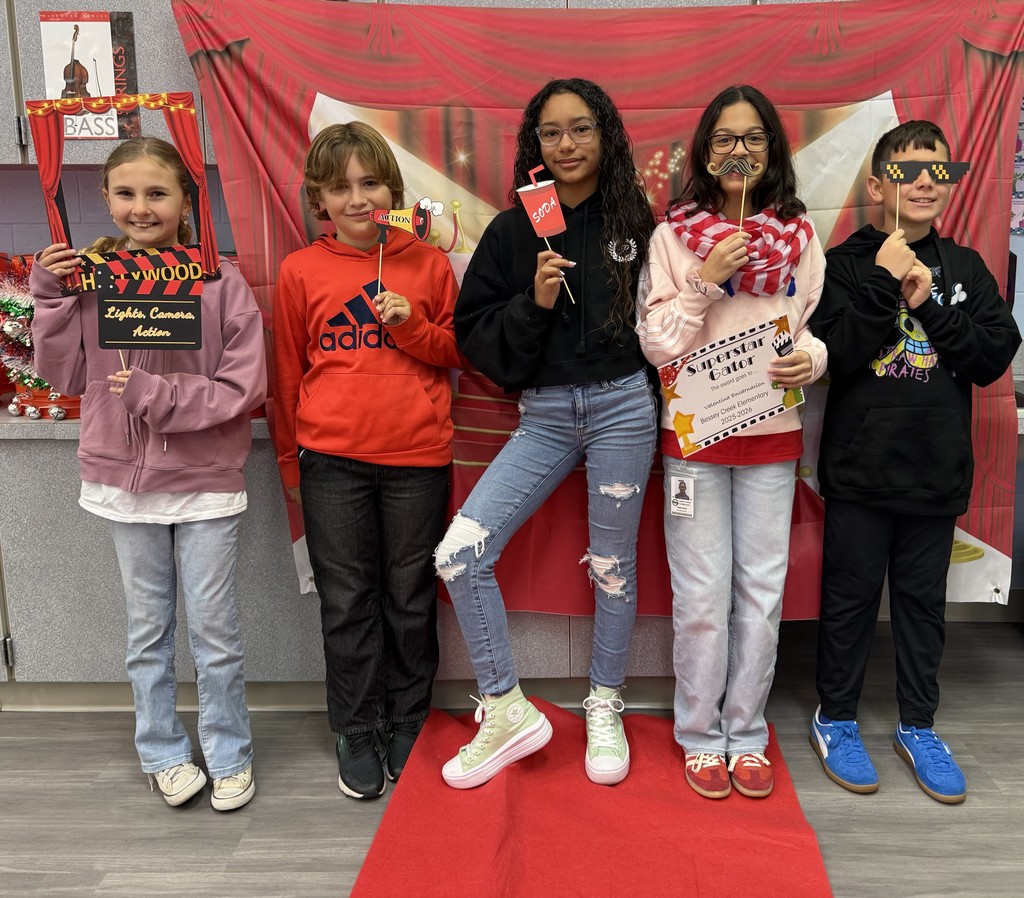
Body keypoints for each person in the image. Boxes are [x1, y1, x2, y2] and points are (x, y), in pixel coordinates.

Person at [435, 77, 658, 789]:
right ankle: (505, 708)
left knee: (613, 568)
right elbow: (480, 345)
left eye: (581, 129)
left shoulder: (635, 222)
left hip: (626, 405)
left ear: (607, 135)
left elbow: (668, 322)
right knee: (461, 555)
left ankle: (604, 702)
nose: (566, 145)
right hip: (545, 415)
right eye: (551, 132)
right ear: (535, 142)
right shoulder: (511, 231)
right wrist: (533, 304)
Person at [30, 137, 265, 811]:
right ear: (104, 199)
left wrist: (156, 397)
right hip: (123, 484)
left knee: (215, 635)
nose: (141, 207)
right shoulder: (90, 279)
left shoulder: (220, 282)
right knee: (147, 632)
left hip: (205, 484)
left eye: (157, 193)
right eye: (126, 193)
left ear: (187, 200)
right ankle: (163, 751)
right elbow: (64, 374)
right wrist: (51, 295)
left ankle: (230, 754)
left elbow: (240, 388)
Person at [808, 120, 1020, 804]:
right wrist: (883, 281)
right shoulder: (842, 263)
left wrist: (928, 303)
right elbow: (832, 355)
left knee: (924, 609)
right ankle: (835, 717)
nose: (926, 180)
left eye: (939, 170)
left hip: (935, 474)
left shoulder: (964, 268)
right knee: (848, 603)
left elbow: (992, 357)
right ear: (877, 185)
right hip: (860, 472)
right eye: (907, 170)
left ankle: (918, 726)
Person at [636, 85, 827, 800]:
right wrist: (704, 284)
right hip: (693, 443)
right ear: (705, 150)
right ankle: (698, 734)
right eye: (724, 139)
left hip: (772, 441)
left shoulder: (800, 237)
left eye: (752, 138)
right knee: (701, 597)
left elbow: (806, 329)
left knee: (760, 593)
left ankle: (745, 734)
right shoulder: (672, 238)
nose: (739, 151)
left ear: (772, 149)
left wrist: (814, 361)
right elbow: (655, 345)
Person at [272, 122, 461, 800]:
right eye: (340, 187)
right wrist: (293, 466)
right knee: (347, 601)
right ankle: (358, 725)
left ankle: (410, 717)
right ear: (319, 198)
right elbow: (286, 375)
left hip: (416, 459)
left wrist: (409, 322)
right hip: (331, 463)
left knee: (409, 599)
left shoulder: (429, 264)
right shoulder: (300, 270)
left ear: (392, 190)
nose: (357, 198)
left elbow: (453, 354)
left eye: (370, 183)